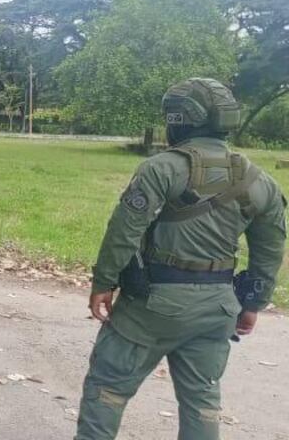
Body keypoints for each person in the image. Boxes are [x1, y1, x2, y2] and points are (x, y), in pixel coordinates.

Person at [75, 78, 285, 440]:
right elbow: (270, 250)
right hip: (218, 308)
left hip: (152, 306)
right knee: (202, 401)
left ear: (180, 119)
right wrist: (253, 303)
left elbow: (124, 230)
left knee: (107, 389)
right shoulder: (259, 180)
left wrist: (103, 283)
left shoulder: (162, 168)